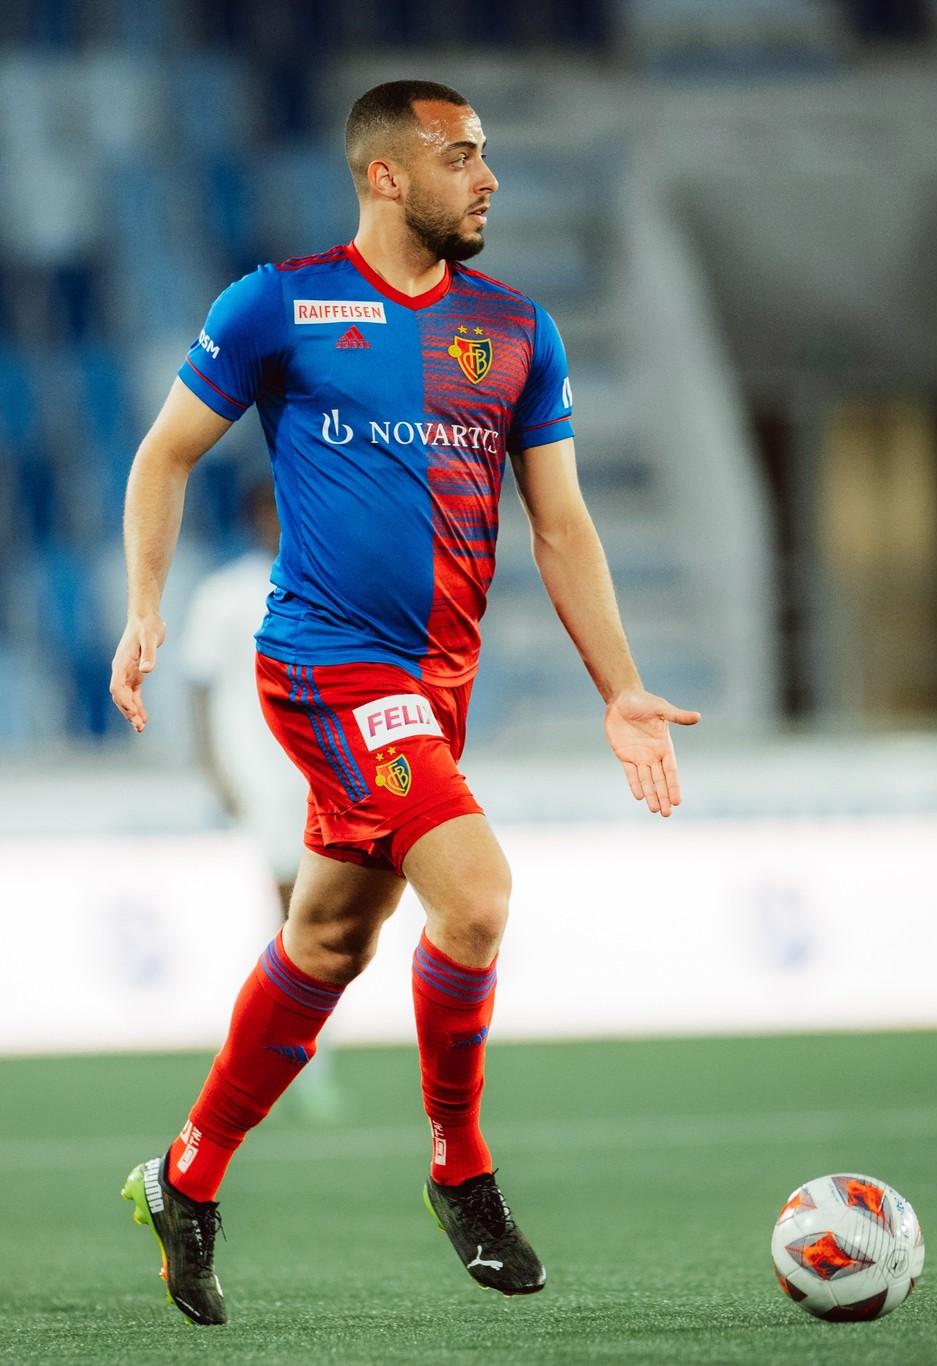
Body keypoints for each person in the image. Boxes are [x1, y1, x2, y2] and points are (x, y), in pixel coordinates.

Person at [109, 79, 700, 1326]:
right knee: (474, 897)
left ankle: (185, 1176)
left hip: (435, 686)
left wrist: (621, 687)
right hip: (325, 666)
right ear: (385, 175)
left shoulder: (516, 331)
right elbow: (164, 453)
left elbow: (561, 524)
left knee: (329, 939)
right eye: (460, 156)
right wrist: (146, 606)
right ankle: (459, 1167)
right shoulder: (277, 305)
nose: (487, 178)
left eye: (485, 155)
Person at [176, 482, 339, 1118]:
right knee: (295, 914)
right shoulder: (225, 594)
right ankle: (292, 1055)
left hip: (320, 773)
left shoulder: (326, 581)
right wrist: (214, 769)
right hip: (262, 776)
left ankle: (289, 1049)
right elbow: (198, 688)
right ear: (254, 516)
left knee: (316, 918)